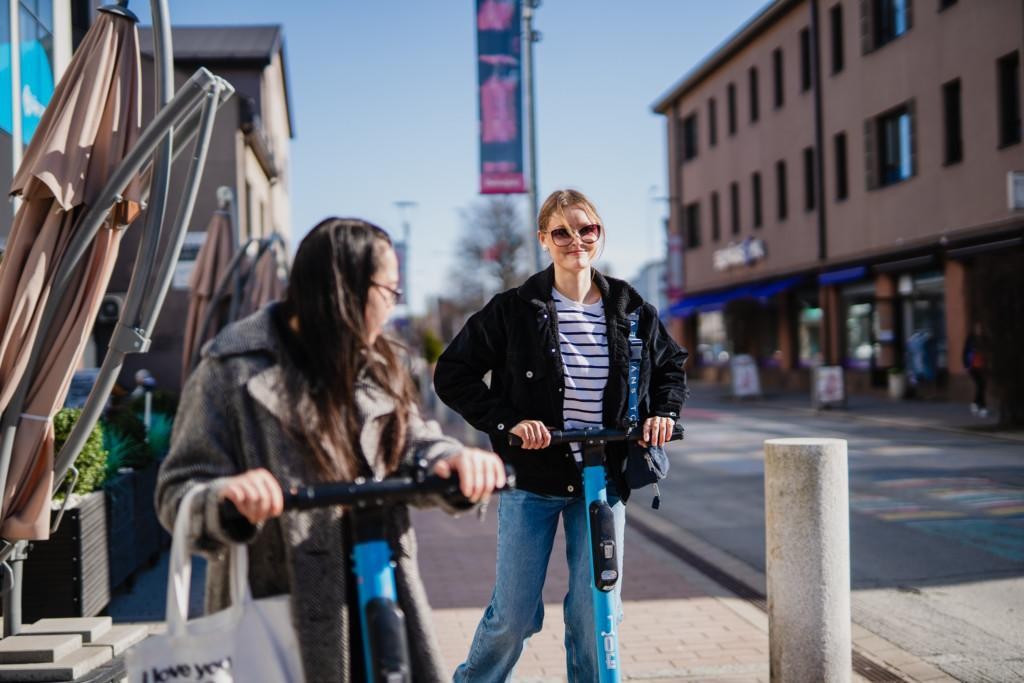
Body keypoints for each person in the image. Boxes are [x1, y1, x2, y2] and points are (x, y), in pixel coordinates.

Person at [155, 218, 507, 682]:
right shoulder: (230, 369)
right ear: (347, 289)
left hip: (381, 597)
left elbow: (411, 440)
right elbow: (177, 492)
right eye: (389, 291)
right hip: (275, 618)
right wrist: (228, 498)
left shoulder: (379, 362)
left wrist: (450, 459)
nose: (392, 306)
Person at [434, 189, 689, 682]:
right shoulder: (513, 310)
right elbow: (453, 373)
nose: (576, 240)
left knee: (596, 613)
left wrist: (663, 413)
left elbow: (671, 368)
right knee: (513, 618)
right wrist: (508, 423)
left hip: (604, 481)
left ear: (600, 235)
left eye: (585, 229)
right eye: (562, 232)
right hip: (532, 481)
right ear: (543, 241)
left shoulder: (631, 308)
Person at [963, 321, 989, 417]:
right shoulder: (971, 339)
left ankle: (977, 404)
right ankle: (981, 407)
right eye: (977, 328)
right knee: (980, 385)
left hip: (982, 366)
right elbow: (965, 352)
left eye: (981, 328)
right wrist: (966, 365)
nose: (979, 330)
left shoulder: (984, 339)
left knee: (982, 386)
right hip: (972, 366)